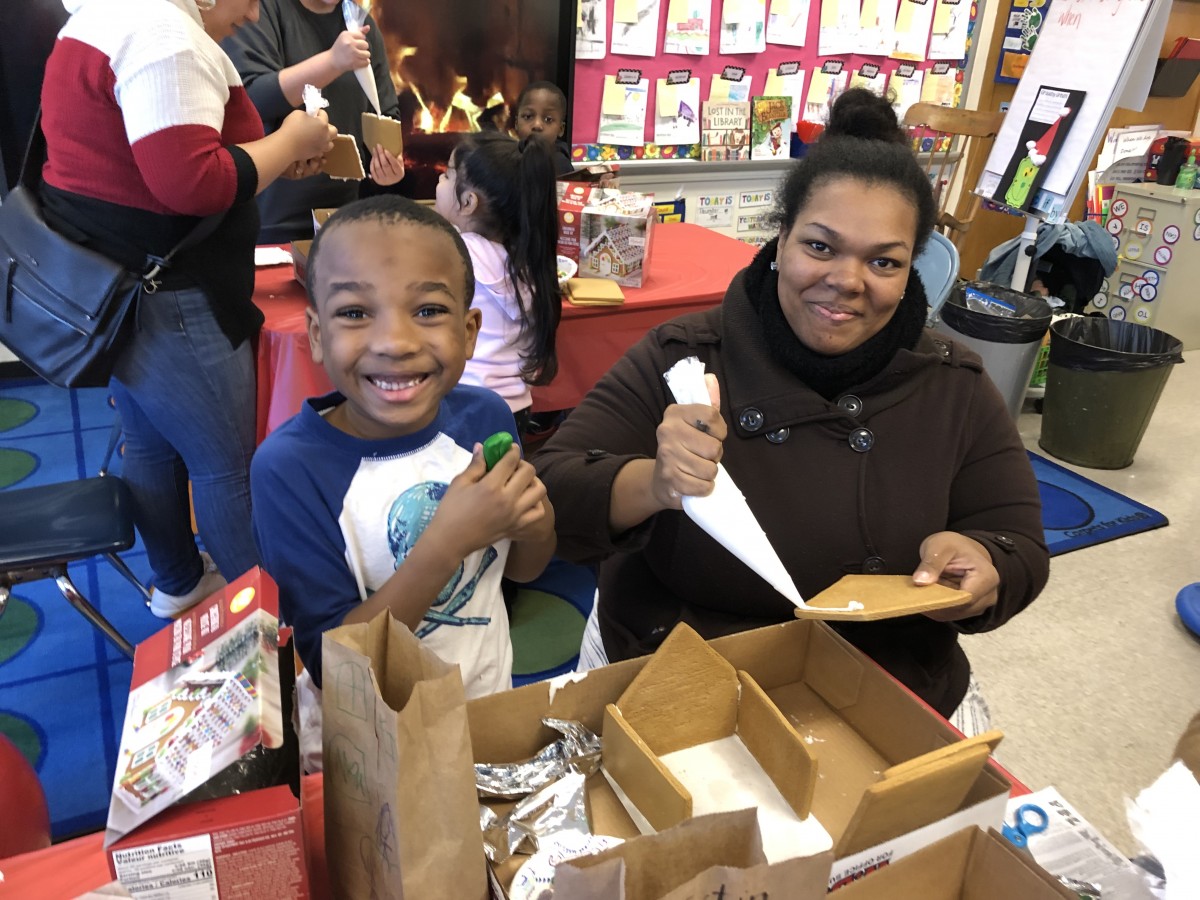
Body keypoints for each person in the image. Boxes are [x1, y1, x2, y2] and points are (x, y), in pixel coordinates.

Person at [534, 88, 1049, 729]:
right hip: (682, 676)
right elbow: (552, 492)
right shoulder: (686, 357)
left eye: (883, 261)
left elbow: (1020, 543)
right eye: (821, 247)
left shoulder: (952, 383)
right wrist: (656, 482)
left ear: (910, 269)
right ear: (780, 241)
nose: (847, 280)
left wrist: (982, 565)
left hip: (884, 688)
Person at [40, 0, 337, 617]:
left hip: (117, 287)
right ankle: (268, 620)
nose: (255, 12)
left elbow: (167, 157)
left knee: (149, 443)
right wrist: (289, 139)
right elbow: (192, 184)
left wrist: (278, 154)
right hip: (169, 295)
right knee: (226, 466)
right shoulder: (163, 33)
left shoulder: (107, 17)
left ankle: (179, 580)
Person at [250, 196, 557, 762]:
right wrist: (445, 543)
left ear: (469, 332)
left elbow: (521, 568)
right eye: (354, 313)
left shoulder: (485, 417)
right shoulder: (289, 469)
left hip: (483, 712)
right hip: (369, 747)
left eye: (428, 311)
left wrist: (535, 521)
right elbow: (336, 666)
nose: (395, 342)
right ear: (316, 334)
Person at [223, 0, 405, 242]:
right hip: (269, 221)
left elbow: (385, 111)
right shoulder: (259, 10)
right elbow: (252, 99)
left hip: (342, 219)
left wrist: (386, 161)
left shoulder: (360, 22)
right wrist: (332, 61)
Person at [434, 132, 561, 435]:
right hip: (514, 410)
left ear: (468, 202)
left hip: (462, 406)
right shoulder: (530, 259)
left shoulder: (453, 253)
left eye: (448, 175)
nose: (440, 180)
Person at [511, 80, 574, 177]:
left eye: (548, 119)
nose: (537, 125)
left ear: (560, 129)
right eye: (528, 116)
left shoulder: (559, 164)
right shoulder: (508, 156)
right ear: (516, 123)